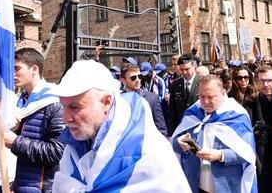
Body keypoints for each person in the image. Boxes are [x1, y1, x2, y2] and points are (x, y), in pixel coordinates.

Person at [51, 60, 190, 192]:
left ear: (106, 102)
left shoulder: (148, 150)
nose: (65, 119)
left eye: (75, 107)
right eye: (64, 107)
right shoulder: (73, 147)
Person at [172, 75, 257, 193]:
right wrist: (180, 142)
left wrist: (220, 155)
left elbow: (247, 153)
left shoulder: (237, 116)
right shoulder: (193, 113)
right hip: (195, 184)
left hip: (226, 185)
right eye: (201, 96)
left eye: (211, 97)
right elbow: (177, 139)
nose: (205, 101)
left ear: (223, 93)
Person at [4, 48, 64, 192]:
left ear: (34, 69)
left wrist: (15, 142)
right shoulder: (22, 101)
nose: (12, 73)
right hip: (21, 185)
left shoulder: (54, 101)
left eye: (17, 68)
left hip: (45, 188)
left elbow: (57, 152)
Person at [120, 63, 168, 136]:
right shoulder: (119, 100)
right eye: (133, 78)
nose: (138, 80)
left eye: (139, 76)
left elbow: (161, 128)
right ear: (123, 80)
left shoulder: (152, 99)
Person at [168, 54, 201, 135]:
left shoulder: (202, 82)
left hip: (199, 129)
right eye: (182, 70)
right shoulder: (175, 85)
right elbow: (172, 112)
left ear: (194, 67)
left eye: (187, 69)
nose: (184, 72)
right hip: (182, 130)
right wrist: (171, 133)